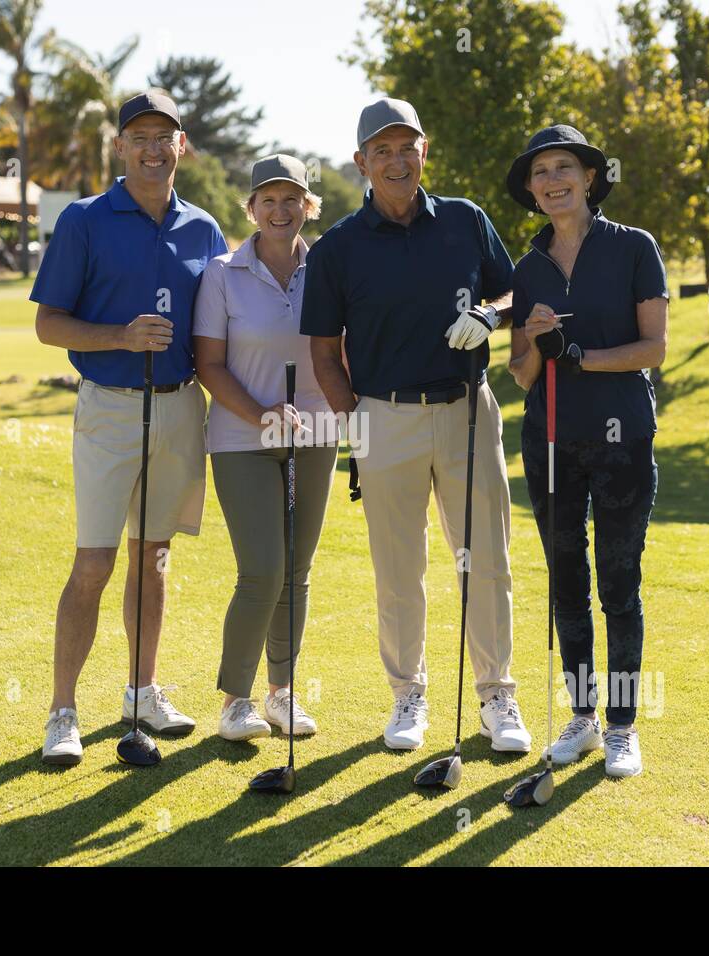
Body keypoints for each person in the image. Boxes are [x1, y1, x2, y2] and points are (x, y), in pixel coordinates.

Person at [302, 98, 532, 754]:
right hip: (383, 416)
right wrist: (357, 423)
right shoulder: (339, 247)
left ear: (424, 150)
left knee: (485, 556)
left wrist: (490, 314)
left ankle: (498, 697)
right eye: (382, 151)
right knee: (398, 567)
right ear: (361, 164)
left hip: (467, 410)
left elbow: (518, 291)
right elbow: (324, 352)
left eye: (407, 147)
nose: (397, 161)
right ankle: (408, 693)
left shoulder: (466, 221)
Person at [30, 91, 228, 765]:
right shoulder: (85, 220)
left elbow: (223, 325)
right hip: (110, 406)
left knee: (154, 557)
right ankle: (63, 711)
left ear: (182, 145)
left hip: (180, 407)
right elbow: (47, 323)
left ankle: (142, 691)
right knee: (95, 561)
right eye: (138, 136)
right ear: (119, 146)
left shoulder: (204, 229)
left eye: (163, 137)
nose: (151, 148)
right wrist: (119, 334)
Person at [504, 124, 668, 777]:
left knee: (619, 585)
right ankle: (583, 717)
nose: (552, 181)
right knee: (567, 583)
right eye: (540, 173)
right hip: (548, 440)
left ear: (590, 177)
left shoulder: (633, 248)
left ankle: (623, 727)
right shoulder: (527, 268)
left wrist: (579, 356)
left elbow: (653, 348)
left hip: (622, 438)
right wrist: (536, 341)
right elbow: (519, 372)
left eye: (563, 167)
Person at [193, 155, 338, 742]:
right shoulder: (222, 273)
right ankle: (236, 701)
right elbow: (210, 364)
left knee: (297, 572)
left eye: (292, 200)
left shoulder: (328, 267)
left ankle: (282, 695)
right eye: (268, 201)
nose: (280, 211)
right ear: (251, 209)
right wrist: (261, 414)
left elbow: (342, 348)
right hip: (240, 437)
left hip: (316, 433)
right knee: (263, 568)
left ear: (308, 207)